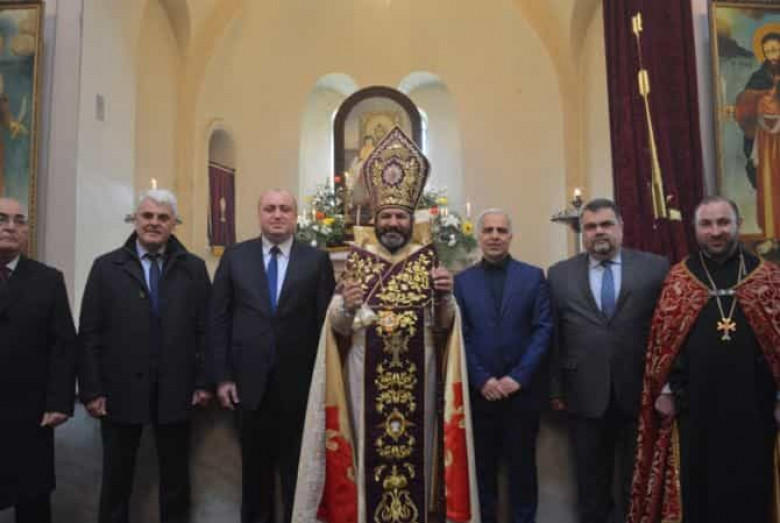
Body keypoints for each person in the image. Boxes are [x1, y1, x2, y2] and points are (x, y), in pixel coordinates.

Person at [293, 127, 480, 523]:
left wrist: (446, 297)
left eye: (400, 216)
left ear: (411, 220)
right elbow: (337, 328)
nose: (393, 222)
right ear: (375, 219)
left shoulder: (429, 260)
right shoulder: (357, 259)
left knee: (418, 455)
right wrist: (346, 306)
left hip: (421, 374)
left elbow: (444, 327)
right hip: (364, 376)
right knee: (368, 456)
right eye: (387, 216)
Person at [629, 196, 780, 523]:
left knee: (752, 491)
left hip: (754, 409)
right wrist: (665, 389)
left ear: (738, 225)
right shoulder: (679, 279)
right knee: (699, 492)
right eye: (707, 224)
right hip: (695, 409)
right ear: (695, 229)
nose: (716, 231)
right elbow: (663, 347)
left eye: (723, 223)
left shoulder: (767, 278)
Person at [78, 189, 212, 523]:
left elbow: (207, 331)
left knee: (175, 480)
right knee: (116, 478)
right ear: (135, 220)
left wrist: (203, 382)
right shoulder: (106, 267)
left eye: (163, 217)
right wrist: (92, 390)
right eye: (147, 216)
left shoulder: (194, 269)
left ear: (174, 224)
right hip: (119, 391)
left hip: (176, 390)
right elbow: (90, 333)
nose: (154, 223)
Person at [210, 189, 335, 523]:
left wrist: (324, 384)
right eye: (270, 208)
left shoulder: (316, 261)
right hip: (248, 387)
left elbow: (324, 326)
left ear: (295, 216)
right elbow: (218, 320)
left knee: (298, 478)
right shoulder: (235, 257)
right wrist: (222, 376)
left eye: (284, 209)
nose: (277, 215)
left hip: (300, 389)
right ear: (260, 214)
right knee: (255, 480)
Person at [548, 198, 669, 523]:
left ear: (621, 228)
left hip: (640, 393)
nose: (598, 232)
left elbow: (668, 332)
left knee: (637, 483)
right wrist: (555, 391)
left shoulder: (655, 269)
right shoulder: (559, 275)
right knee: (591, 487)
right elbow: (555, 337)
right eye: (590, 226)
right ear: (582, 233)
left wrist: (667, 386)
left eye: (606, 224)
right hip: (583, 395)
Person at [454, 209, 552, 523]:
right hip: (480, 396)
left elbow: (543, 329)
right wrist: (482, 380)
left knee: (523, 475)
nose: (494, 236)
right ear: (479, 236)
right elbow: (460, 335)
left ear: (511, 236)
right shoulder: (462, 282)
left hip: (521, 396)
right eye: (488, 230)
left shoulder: (533, 276)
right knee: (482, 477)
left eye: (501, 230)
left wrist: (518, 378)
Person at [0, 197, 78, 523]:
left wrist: (60, 401)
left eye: (19, 220)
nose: (10, 227)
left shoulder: (48, 280)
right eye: (2, 219)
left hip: (30, 413)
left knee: (31, 500)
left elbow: (64, 346)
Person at [735, 32, 780, 240]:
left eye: (775, 50)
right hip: (766, 144)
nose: (772, 55)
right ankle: (771, 237)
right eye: (767, 51)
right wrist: (762, 98)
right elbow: (745, 106)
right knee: (769, 188)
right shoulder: (758, 78)